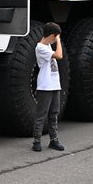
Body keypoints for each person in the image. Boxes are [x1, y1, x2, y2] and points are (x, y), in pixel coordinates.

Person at [32, 22, 65, 152]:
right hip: (45, 86)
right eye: (56, 36)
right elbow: (59, 55)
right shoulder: (40, 48)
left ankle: (54, 140)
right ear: (52, 36)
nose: (56, 38)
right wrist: (59, 41)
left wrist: (55, 39)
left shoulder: (48, 46)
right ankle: (37, 141)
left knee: (54, 113)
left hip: (54, 85)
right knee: (41, 114)